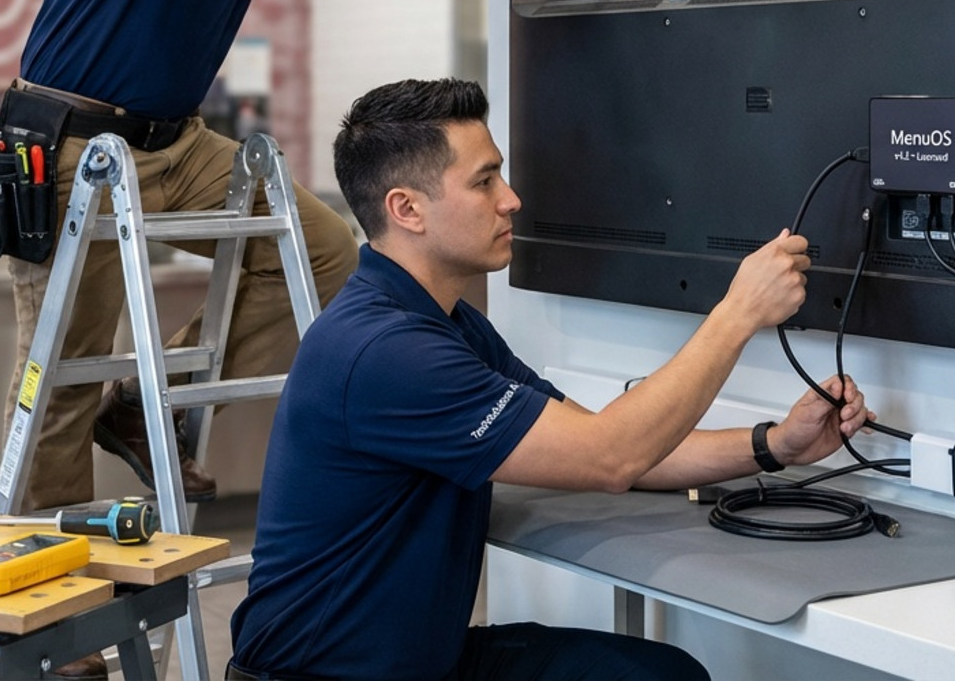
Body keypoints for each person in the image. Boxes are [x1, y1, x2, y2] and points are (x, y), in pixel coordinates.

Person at [0, 0, 525, 678]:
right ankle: (60, 643)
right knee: (59, 389)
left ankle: (135, 406)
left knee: (331, 261)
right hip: (70, 146)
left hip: (174, 141)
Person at [229, 79, 873, 680]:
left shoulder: (444, 324)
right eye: (484, 182)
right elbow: (611, 457)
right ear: (407, 209)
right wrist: (738, 314)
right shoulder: (386, 352)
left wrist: (773, 446)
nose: (511, 198)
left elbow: (601, 439)